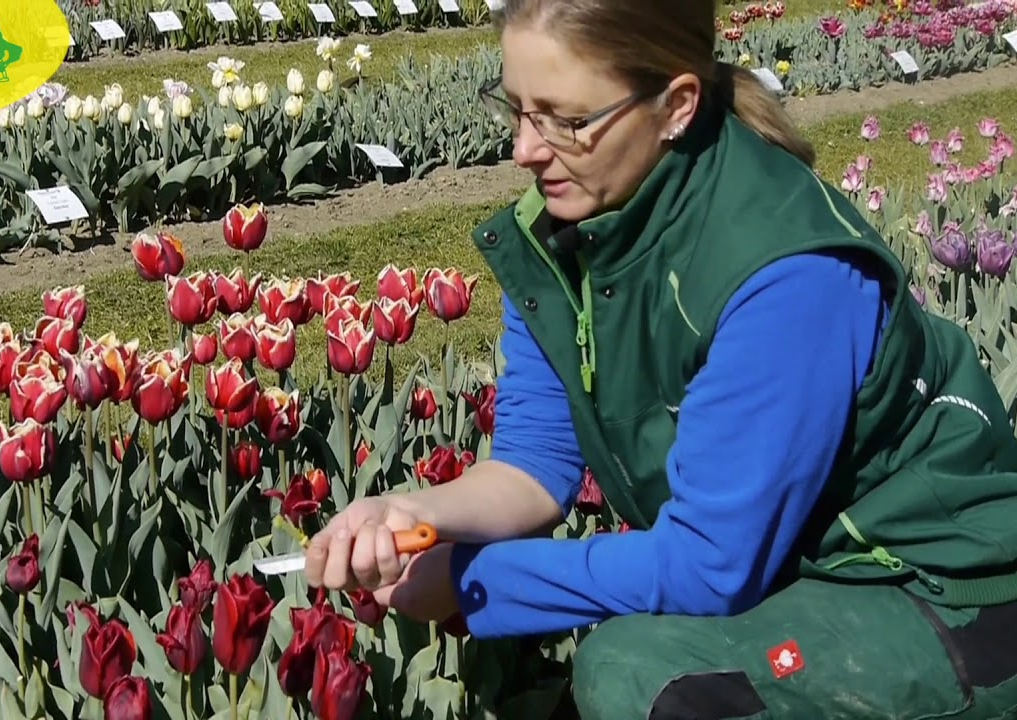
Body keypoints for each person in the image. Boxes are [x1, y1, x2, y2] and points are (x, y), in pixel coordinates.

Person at [302, 0, 1017, 717]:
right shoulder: (565, 233)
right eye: (515, 109)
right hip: (810, 569)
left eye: (564, 120)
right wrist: (405, 509)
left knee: (640, 673)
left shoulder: (784, 274)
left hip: (940, 587)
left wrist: (472, 581)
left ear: (675, 105)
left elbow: (709, 566)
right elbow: (533, 467)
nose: (524, 149)